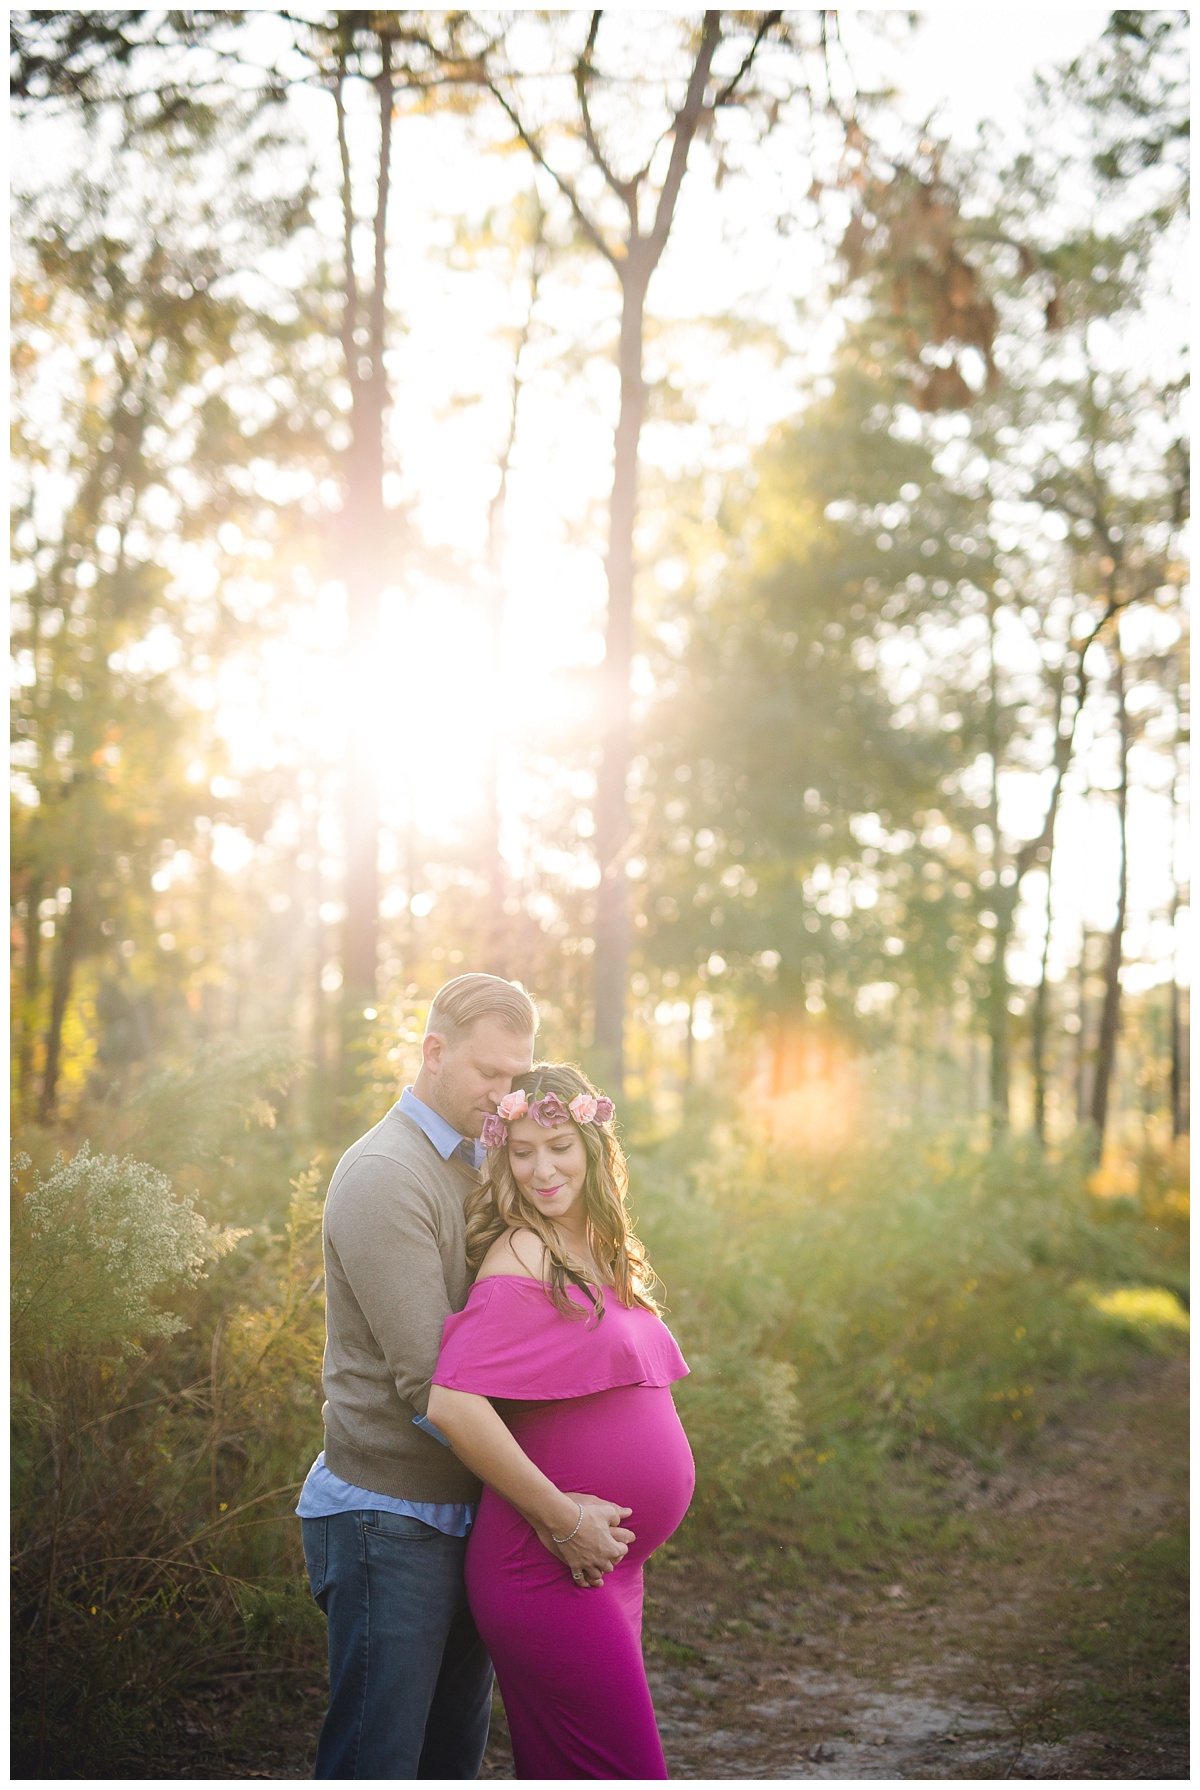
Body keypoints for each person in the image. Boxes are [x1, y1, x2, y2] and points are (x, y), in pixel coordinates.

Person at [297, 976, 633, 1779]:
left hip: (477, 1510)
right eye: (488, 1073)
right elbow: (432, 1388)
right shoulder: (386, 1175)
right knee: (378, 1759)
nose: (505, 1093)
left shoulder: (489, 1158)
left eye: (517, 1075)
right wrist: (558, 1515)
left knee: (452, 1760)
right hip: (393, 1519)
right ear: (433, 1051)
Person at [427, 1063, 695, 1779]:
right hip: (546, 1564)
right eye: (522, 1153)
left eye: (558, 1147)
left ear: (593, 1147)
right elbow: (451, 1402)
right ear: (504, 1160)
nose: (541, 1169)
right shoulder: (524, 1254)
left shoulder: (597, 1254)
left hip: (604, 1565)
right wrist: (564, 1521)